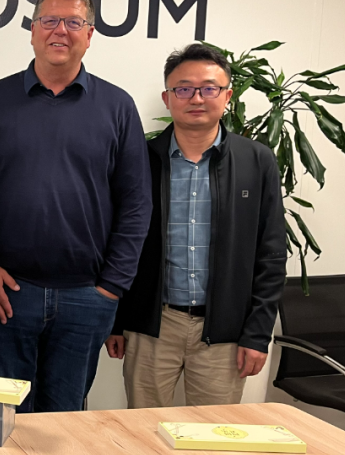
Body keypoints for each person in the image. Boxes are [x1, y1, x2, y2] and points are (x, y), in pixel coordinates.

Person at [0, 0, 151, 413]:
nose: (60, 30)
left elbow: (136, 202)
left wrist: (111, 287)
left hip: (86, 296)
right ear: (32, 30)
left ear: (90, 34)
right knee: (4, 419)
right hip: (7, 295)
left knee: (66, 422)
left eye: (74, 22)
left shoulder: (118, 107)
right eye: (49, 20)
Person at [106, 43, 287, 407]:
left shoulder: (256, 160)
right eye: (184, 89)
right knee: (141, 428)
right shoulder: (142, 159)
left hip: (223, 332)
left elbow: (271, 253)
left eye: (209, 88)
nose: (197, 98)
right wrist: (117, 322)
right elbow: (118, 241)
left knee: (213, 433)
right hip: (153, 326)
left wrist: (257, 333)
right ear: (167, 98)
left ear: (227, 96)